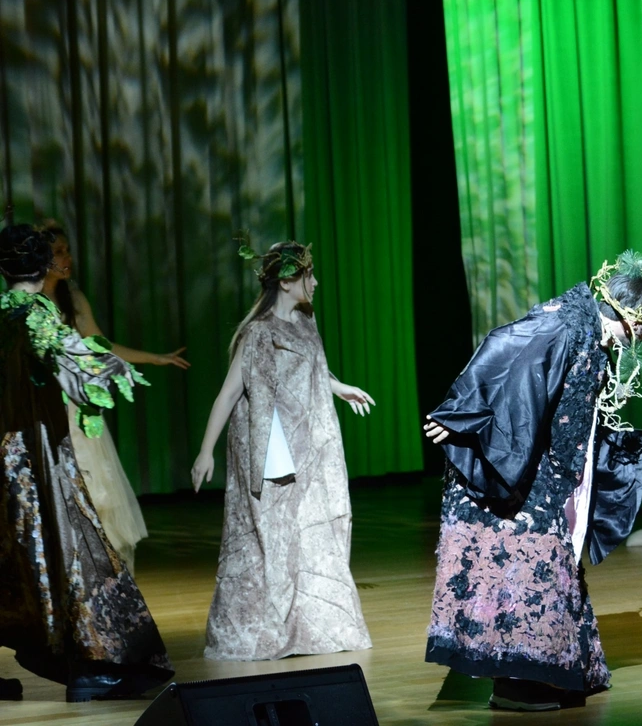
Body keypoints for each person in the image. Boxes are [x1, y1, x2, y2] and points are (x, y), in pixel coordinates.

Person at [422, 249, 642, 712]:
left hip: (542, 480)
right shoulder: (565, 325)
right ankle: (514, 686)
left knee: (545, 573)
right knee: (527, 574)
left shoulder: (589, 336)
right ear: (635, 319)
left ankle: (548, 672)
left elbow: (573, 424)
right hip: (516, 478)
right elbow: (502, 344)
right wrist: (461, 412)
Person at [0, 223, 173, 702]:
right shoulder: (35, 312)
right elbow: (68, 362)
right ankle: (93, 666)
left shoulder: (4, 312)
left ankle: (80, 662)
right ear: (42, 265)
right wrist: (105, 369)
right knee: (75, 552)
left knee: (17, 559)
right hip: (37, 459)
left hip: (7, 455)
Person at [191, 239, 374, 661]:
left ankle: (308, 626)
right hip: (272, 448)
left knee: (309, 531)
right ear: (288, 281)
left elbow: (311, 370)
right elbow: (229, 393)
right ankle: (265, 627)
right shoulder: (259, 332)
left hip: (306, 443)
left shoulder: (306, 322)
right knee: (272, 537)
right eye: (309, 275)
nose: (315, 282)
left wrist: (340, 387)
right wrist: (205, 451)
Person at [39, 221, 189, 574]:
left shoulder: (73, 297)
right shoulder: (29, 304)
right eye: (59, 252)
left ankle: (99, 576)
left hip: (77, 406)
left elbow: (99, 345)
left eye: (67, 250)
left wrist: (153, 358)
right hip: (46, 406)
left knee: (97, 492)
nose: (67, 258)